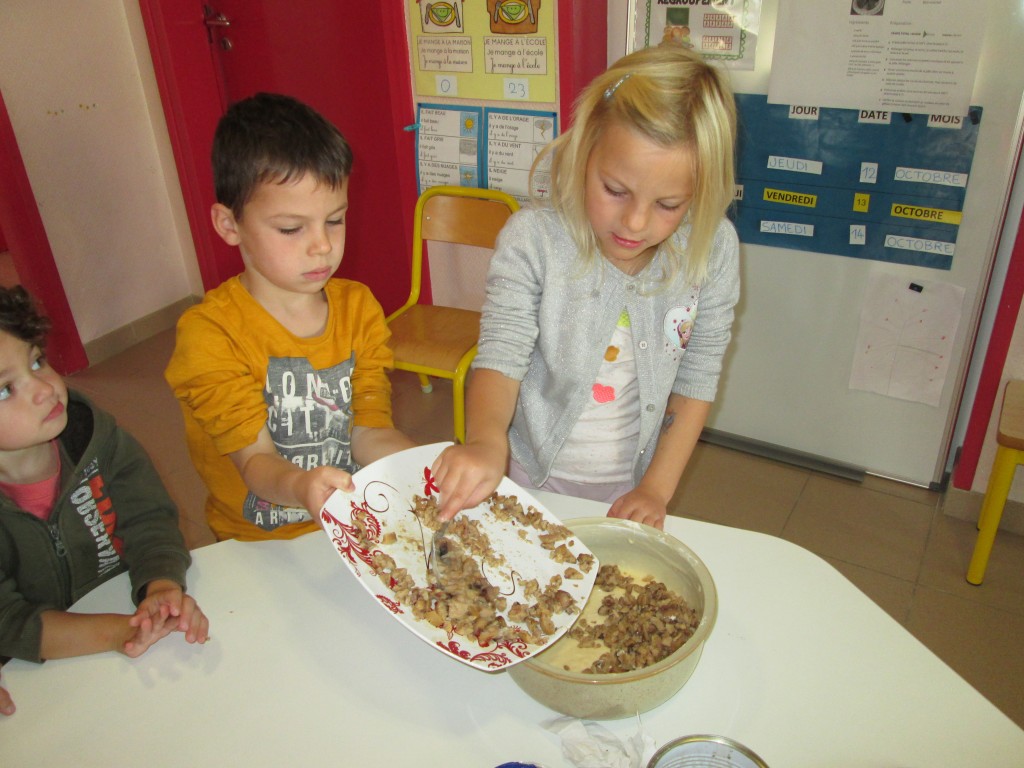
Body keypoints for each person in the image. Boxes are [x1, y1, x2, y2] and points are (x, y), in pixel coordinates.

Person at [431, 44, 740, 530]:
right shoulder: (534, 239)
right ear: (584, 150)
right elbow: (502, 354)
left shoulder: (712, 248)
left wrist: (656, 489)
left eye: (669, 204)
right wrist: (486, 442)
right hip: (528, 471)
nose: (635, 223)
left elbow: (696, 378)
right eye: (615, 190)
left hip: (631, 483)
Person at [165, 93, 415, 542]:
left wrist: (421, 464)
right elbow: (255, 462)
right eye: (291, 228)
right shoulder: (210, 334)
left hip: (351, 525)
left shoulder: (359, 308)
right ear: (229, 225)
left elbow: (369, 428)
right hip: (257, 541)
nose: (323, 246)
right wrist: (303, 486)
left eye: (334, 220)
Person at [0, 285, 208, 716]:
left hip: (118, 608)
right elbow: (10, 622)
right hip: (32, 671)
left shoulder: (94, 436)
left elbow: (148, 518)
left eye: (36, 362)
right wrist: (119, 632)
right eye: (5, 390)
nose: (44, 389)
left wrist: (160, 584)